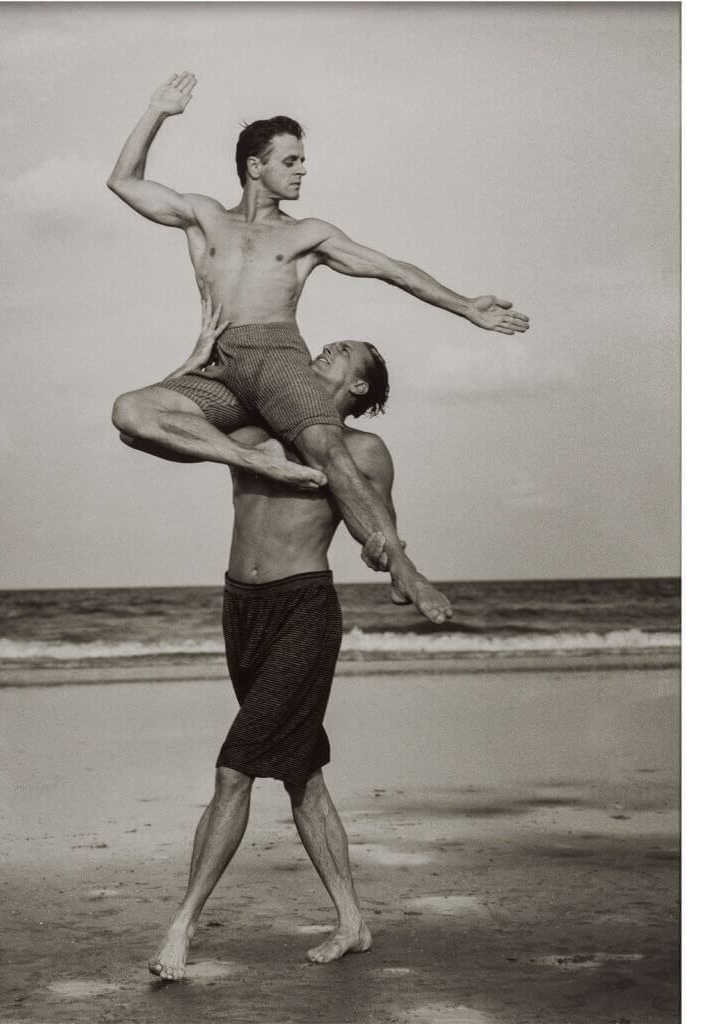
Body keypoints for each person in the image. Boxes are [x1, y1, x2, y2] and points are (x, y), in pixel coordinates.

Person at [107, 72, 528, 624]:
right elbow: (123, 180)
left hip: (277, 356)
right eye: (291, 161)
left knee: (329, 451)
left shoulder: (309, 234)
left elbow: (392, 270)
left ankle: (403, 568)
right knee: (131, 413)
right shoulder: (204, 216)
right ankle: (252, 458)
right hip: (219, 363)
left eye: (303, 160)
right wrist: (156, 111)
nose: (303, 170)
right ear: (256, 166)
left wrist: (465, 305)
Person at [148, 318, 422, 982]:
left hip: (304, 608)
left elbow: (381, 527)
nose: (328, 347)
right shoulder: (253, 432)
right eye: (329, 343)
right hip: (241, 610)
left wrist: (388, 558)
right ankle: (353, 921)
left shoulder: (364, 447)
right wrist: (192, 359)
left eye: (343, 353)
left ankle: (182, 925)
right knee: (301, 776)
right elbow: (157, 423)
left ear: (359, 385)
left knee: (235, 767)